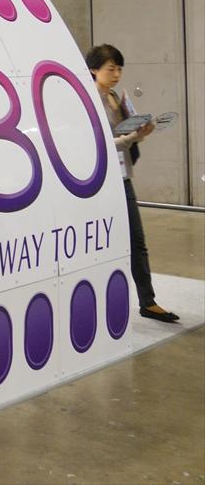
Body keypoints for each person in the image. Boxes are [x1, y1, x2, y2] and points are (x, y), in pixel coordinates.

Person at [87, 44, 179, 324]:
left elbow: (123, 137)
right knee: (99, 244)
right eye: (110, 68)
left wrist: (140, 134)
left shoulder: (116, 98)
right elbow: (97, 143)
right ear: (93, 70)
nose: (116, 74)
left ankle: (147, 301)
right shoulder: (87, 101)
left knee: (136, 241)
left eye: (119, 68)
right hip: (98, 181)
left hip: (122, 176)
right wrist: (130, 138)